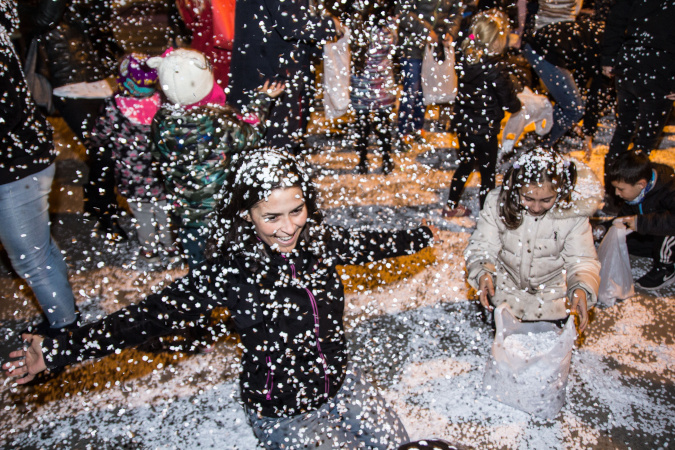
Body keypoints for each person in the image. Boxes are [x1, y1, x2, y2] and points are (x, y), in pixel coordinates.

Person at [5, 149, 438, 449]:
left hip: (344, 385)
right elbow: (147, 317)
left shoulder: (317, 242)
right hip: (284, 410)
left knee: (401, 446)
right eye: (271, 216)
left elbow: (368, 244)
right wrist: (64, 348)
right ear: (246, 214)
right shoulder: (231, 271)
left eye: (297, 210)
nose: (288, 228)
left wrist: (418, 233)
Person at [148, 48, 284, 269]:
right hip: (222, 210)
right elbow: (251, 134)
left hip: (186, 212)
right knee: (231, 258)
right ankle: (231, 287)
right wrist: (261, 100)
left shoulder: (161, 121)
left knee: (199, 261)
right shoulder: (219, 122)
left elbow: (157, 153)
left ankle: (204, 286)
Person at [0, 0, 78, 336]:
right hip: (21, 156)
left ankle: (64, 332)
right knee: (36, 253)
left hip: (16, 165)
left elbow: (7, 110)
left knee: (33, 258)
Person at [464, 147, 601, 332]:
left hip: (551, 303)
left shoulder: (572, 214)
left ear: (560, 190)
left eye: (546, 200)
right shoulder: (497, 202)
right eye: (528, 198)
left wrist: (581, 287)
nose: (536, 207)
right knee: (509, 354)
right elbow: (483, 246)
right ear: (516, 187)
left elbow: (581, 260)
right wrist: (483, 270)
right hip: (506, 297)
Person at [88, 53, 179, 265]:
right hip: (160, 173)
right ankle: (170, 247)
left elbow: (100, 134)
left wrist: (96, 143)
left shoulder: (114, 106)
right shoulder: (161, 102)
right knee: (164, 210)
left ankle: (150, 251)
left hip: (131, 175)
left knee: (143, 214)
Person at [228, 0, 341, 152]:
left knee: (264, 142)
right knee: (272, 145)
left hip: (268, 69)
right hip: (270, 74)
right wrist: (329, 25)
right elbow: (291, 24)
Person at [441, 10, 521, 218]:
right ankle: (487, 214)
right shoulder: (495, 68)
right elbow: (509, 101)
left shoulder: (466, 60)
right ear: (495, 42)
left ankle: (451, 205)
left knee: (465, 165)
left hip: (465, 125)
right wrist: (515, 103)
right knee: (487, 174)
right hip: (485, 128)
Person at [516, 0, 603, 149]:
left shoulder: (601, 42)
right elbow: (597, 90)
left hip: (558, 41)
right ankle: (545, 146)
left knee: (568, 101)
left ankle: (550, 136)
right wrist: (589, 130)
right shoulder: (607, 50)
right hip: (546, 45)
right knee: (573, 107)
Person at [601, 0, 675, 172]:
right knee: (643, 143)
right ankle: (628, 190)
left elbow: (617, 16)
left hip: (630, 61)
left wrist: (610, 56)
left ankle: (613, 190)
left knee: (623, 132)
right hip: (661, 67)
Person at [603, 150, 675, 290]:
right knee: (625, 241)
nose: (617, 193)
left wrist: (641, 223)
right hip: (655, 228)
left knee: (664, 227)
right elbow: (625, 218)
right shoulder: (637, 185)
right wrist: (604, 228)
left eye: (620, 189)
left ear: (641, 184)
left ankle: (666, 269)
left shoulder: (669, 190)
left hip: (670, 230)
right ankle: (658, 252)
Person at [395, 0, 463, 145]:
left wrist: (450, 32)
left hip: (434, 46)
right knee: (411, 90)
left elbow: (456, 12)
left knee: (425, 89)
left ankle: (417, 126)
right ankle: (403, 130)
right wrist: (425, 31)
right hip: (411, 44)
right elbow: (402, 12)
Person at [346, 0, 397, 175]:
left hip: (361, 83)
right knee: (383, 123)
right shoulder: (387, 29)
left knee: (362, 124)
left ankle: (362, 160)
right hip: (381, 83)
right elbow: (394, 46)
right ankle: (386, 158)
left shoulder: (356, 26)